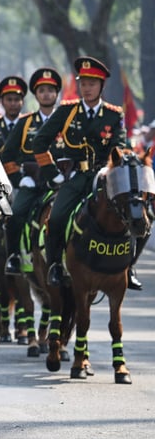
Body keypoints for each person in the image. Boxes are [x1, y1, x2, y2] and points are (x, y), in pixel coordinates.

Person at [31, 57, 138, 289]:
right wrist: (52, 174)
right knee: (56, 218)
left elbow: (122, 146)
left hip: (106, 178)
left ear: (101, 86)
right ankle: (55, 267)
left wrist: (111, 168)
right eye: (84, 83)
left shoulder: (114, 114)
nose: (87, 88)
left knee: (135, 214)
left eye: (92, 83)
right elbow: (39, 142)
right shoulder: (67, 111)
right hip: (77, 177)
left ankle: (129, 267)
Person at [0, 68, 64, 275]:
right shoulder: (25, 122)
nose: (46, 94)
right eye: (42, 90)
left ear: (57, 94)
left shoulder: (67, 120)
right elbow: (7, 155)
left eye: (50, 90)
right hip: (32, 183)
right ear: (36, 95)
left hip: (61, 183)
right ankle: (14, 257)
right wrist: (19, 180)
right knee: (16, 214)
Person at [0, 75, 27, 153]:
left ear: (23, 102)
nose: (13, 103)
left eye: (17, 100)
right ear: (2, 102)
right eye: (9, 100)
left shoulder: (29, 124)